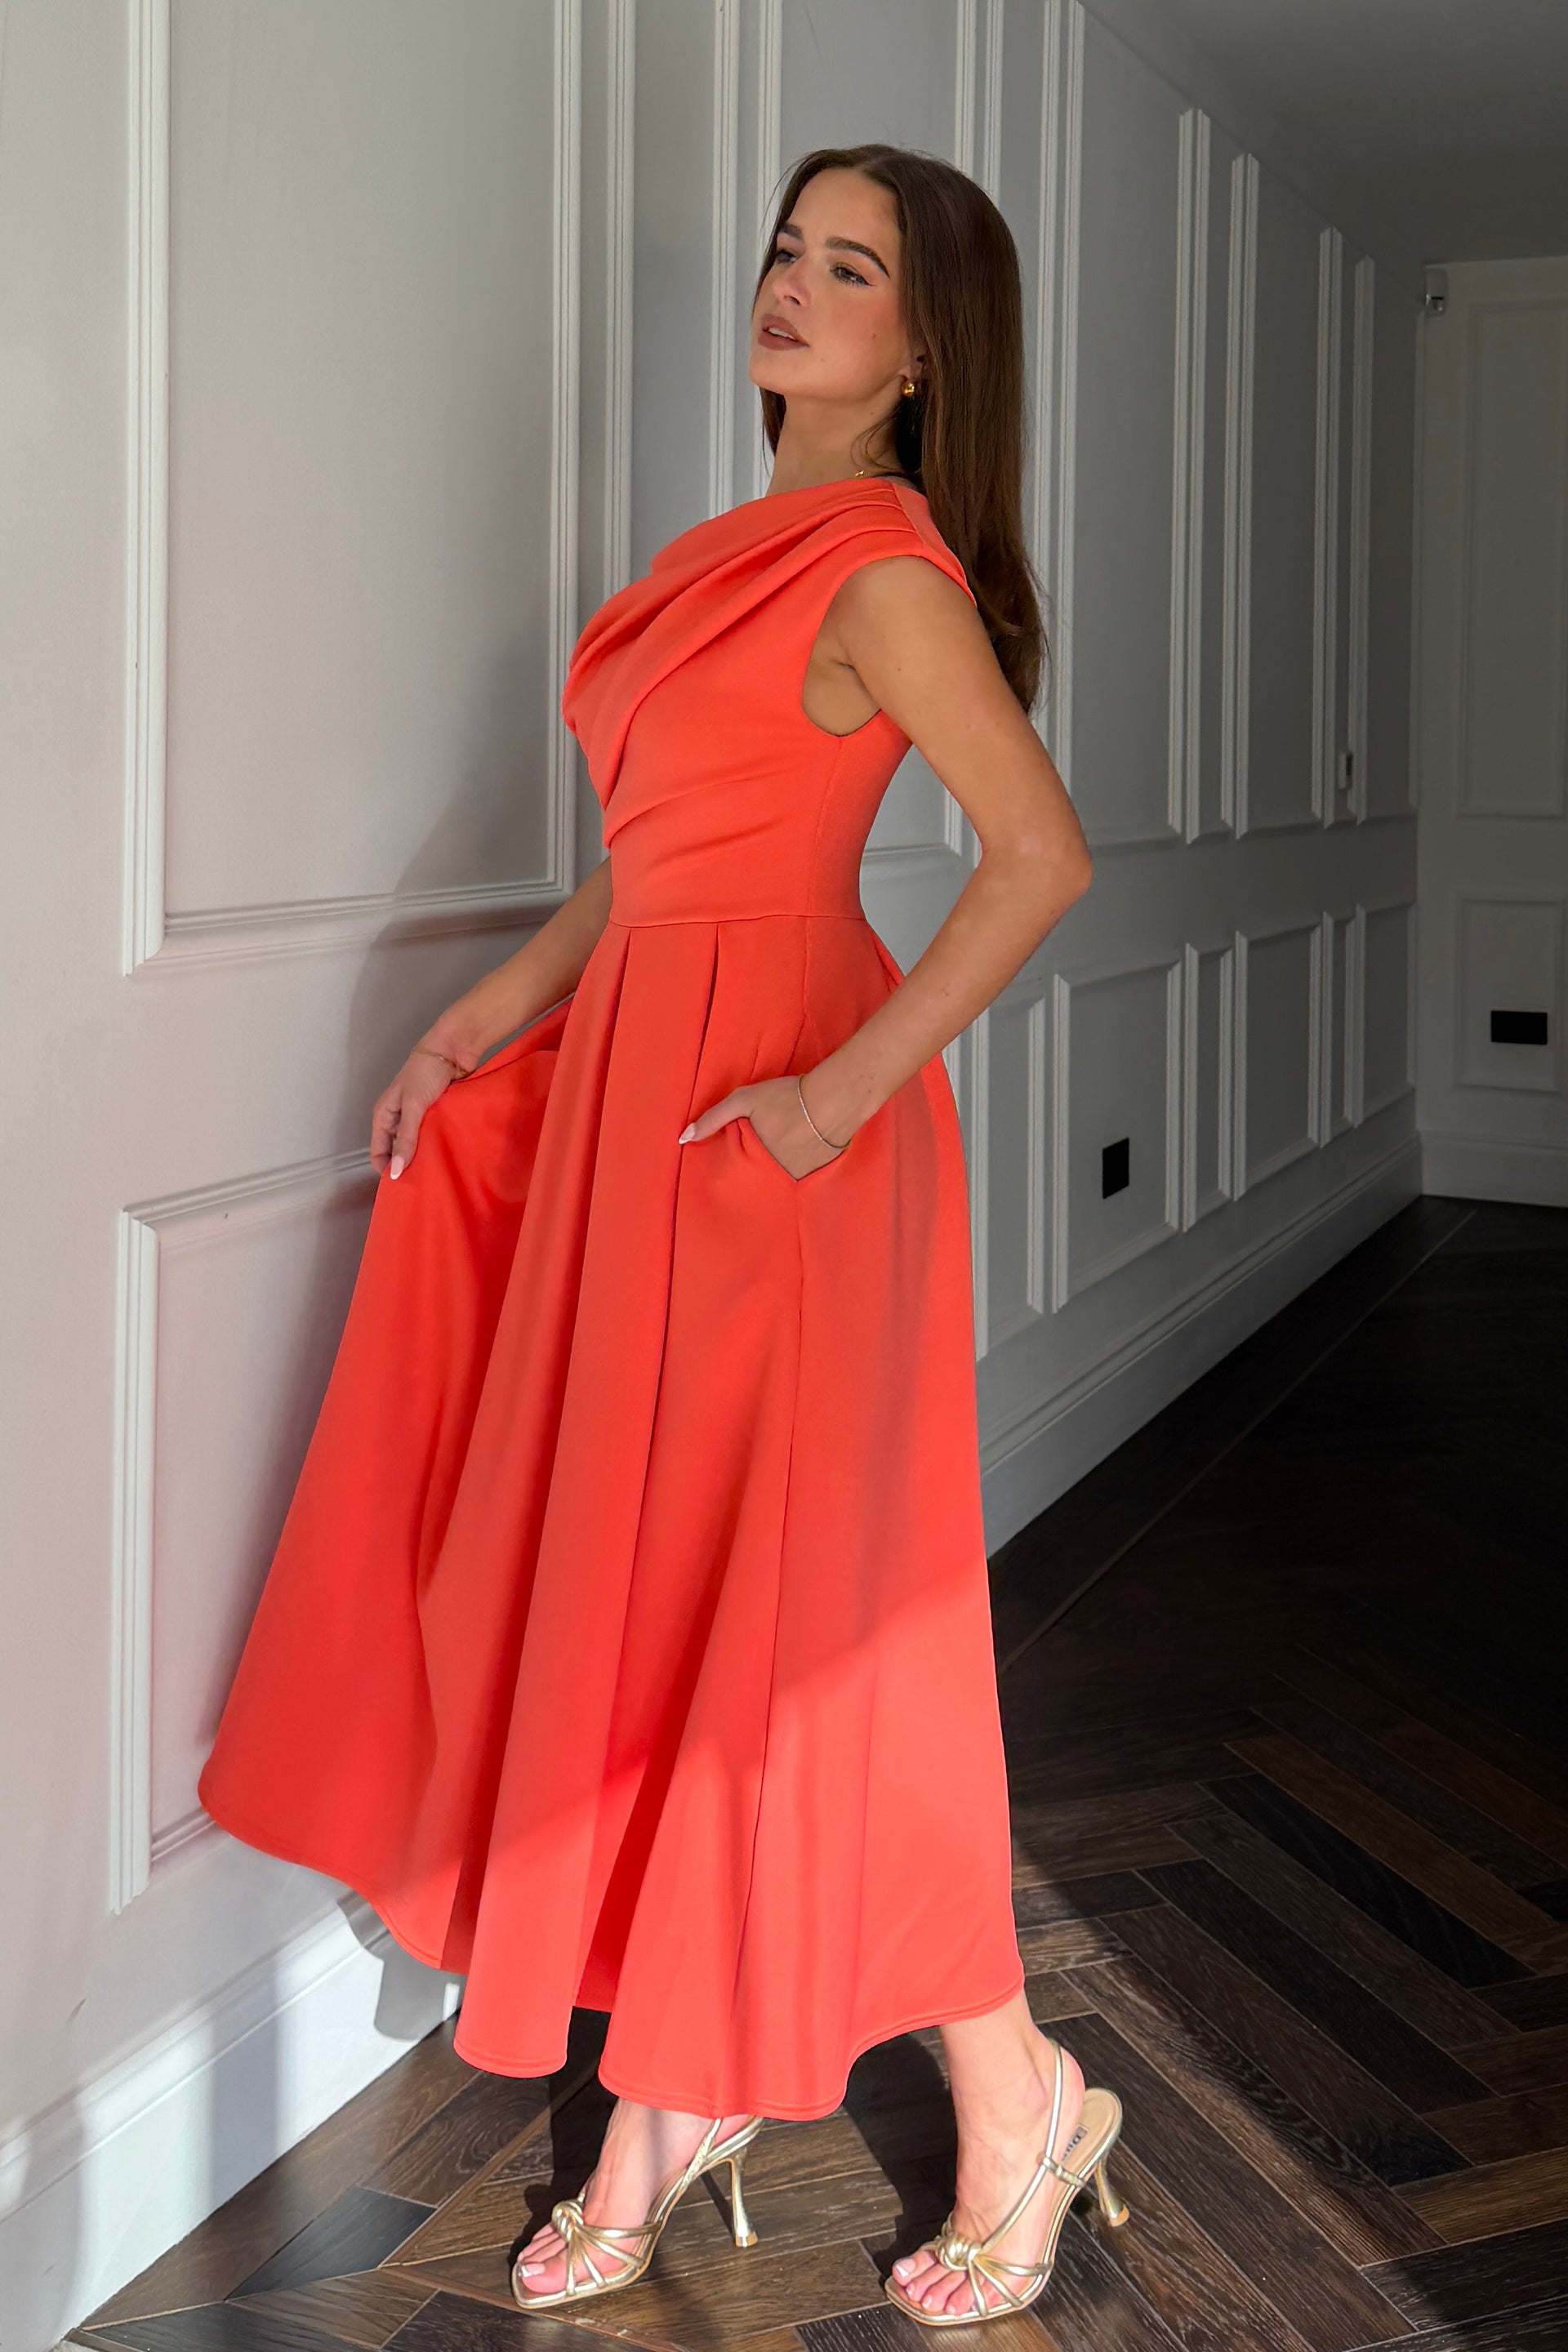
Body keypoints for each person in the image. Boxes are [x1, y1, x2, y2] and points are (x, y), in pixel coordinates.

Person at [196, 143, 1121, 2328]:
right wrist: (487, 1013)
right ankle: (688, 2091)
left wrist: (828, 1101)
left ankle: (1002, 2105)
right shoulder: (727, 553)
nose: (791, 290)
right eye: (788, 254)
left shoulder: (884, 568)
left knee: (805, 1641)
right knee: (663, 1623)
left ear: (922, 354)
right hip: (649, 1100)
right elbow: (645, 862)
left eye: (850, 270)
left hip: (778, 1139)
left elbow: (1040, 854)